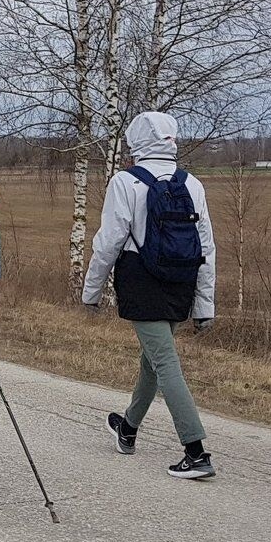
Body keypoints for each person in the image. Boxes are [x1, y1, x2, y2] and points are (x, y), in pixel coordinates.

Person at [82, 111, 219, 481]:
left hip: (141, 280)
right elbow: (206, 247)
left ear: (135, 144)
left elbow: (109, 242)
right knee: (154, 358)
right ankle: (127, 428)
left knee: (164, 361)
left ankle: (195, 451)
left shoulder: (124, 182)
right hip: (181, 281)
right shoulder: (192, 184)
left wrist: (90, 292)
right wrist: (204, 304)